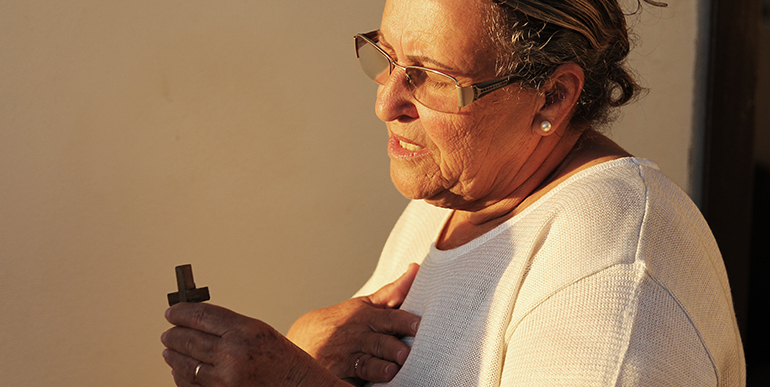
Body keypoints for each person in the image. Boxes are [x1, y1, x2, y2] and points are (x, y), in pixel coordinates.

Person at [160, 0, 747, 385]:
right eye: (386, 58)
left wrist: (295, 381)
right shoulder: (452, 199)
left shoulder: (616, 271)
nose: (386, 103)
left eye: (435, 77)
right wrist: (313, 351)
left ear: (551, 97)